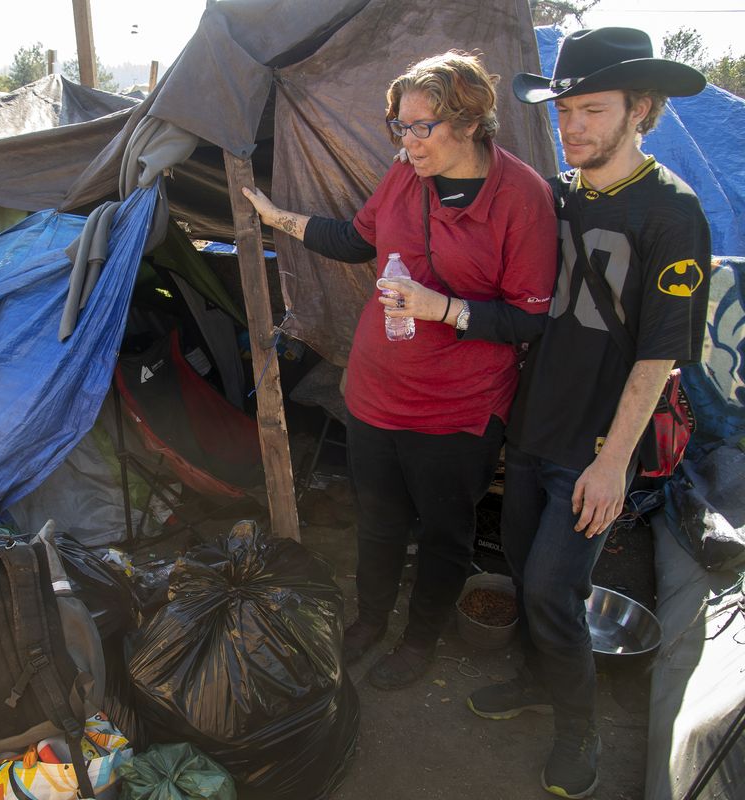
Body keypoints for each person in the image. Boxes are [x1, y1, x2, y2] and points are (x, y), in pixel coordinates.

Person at [241, 52, 557, 690]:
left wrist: (443, 308)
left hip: (456, 409)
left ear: (470, 124)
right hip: (376, 394)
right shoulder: (405, 177)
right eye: (400, 126)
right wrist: (277, 219)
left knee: (443, 533)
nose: (407, 142)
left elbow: (529, 319)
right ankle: (369, 620)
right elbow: (357, 240)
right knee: (379, 520)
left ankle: (419, 641)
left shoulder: (523, 199)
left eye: (422, 127)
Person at [466, 28, 711, 799]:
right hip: (534, 423)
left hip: (599, 442)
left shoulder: (674, 213)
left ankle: (581, 733)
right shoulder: (557, 192)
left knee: (550, 585)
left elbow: (659, 355)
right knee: (516, 561)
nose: (572, 127)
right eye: (564, 110)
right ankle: (536, 679)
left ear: (641, 108)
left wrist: (613, 462)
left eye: (592, 110)